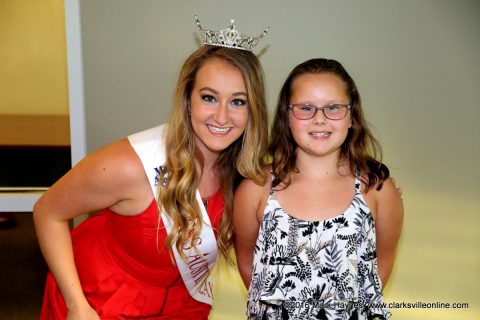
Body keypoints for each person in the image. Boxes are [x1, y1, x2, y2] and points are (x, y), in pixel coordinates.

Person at [33, 17, 269, 319]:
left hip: (183, 304)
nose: (222, 116)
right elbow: (47, 211)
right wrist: (77, 305)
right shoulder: (130, 165)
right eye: (209, 98)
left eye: (238, 102)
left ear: (253, 111)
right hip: (100, 296)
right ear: (187, 100)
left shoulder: (243, 175)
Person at [234, 58, 404, 320]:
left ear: (352, 117)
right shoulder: (255, 189)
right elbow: (249, 266)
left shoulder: (378, 190)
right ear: (287, 116)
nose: (320, 119)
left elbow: (378, 269)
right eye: (305, 108)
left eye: (333, 107)